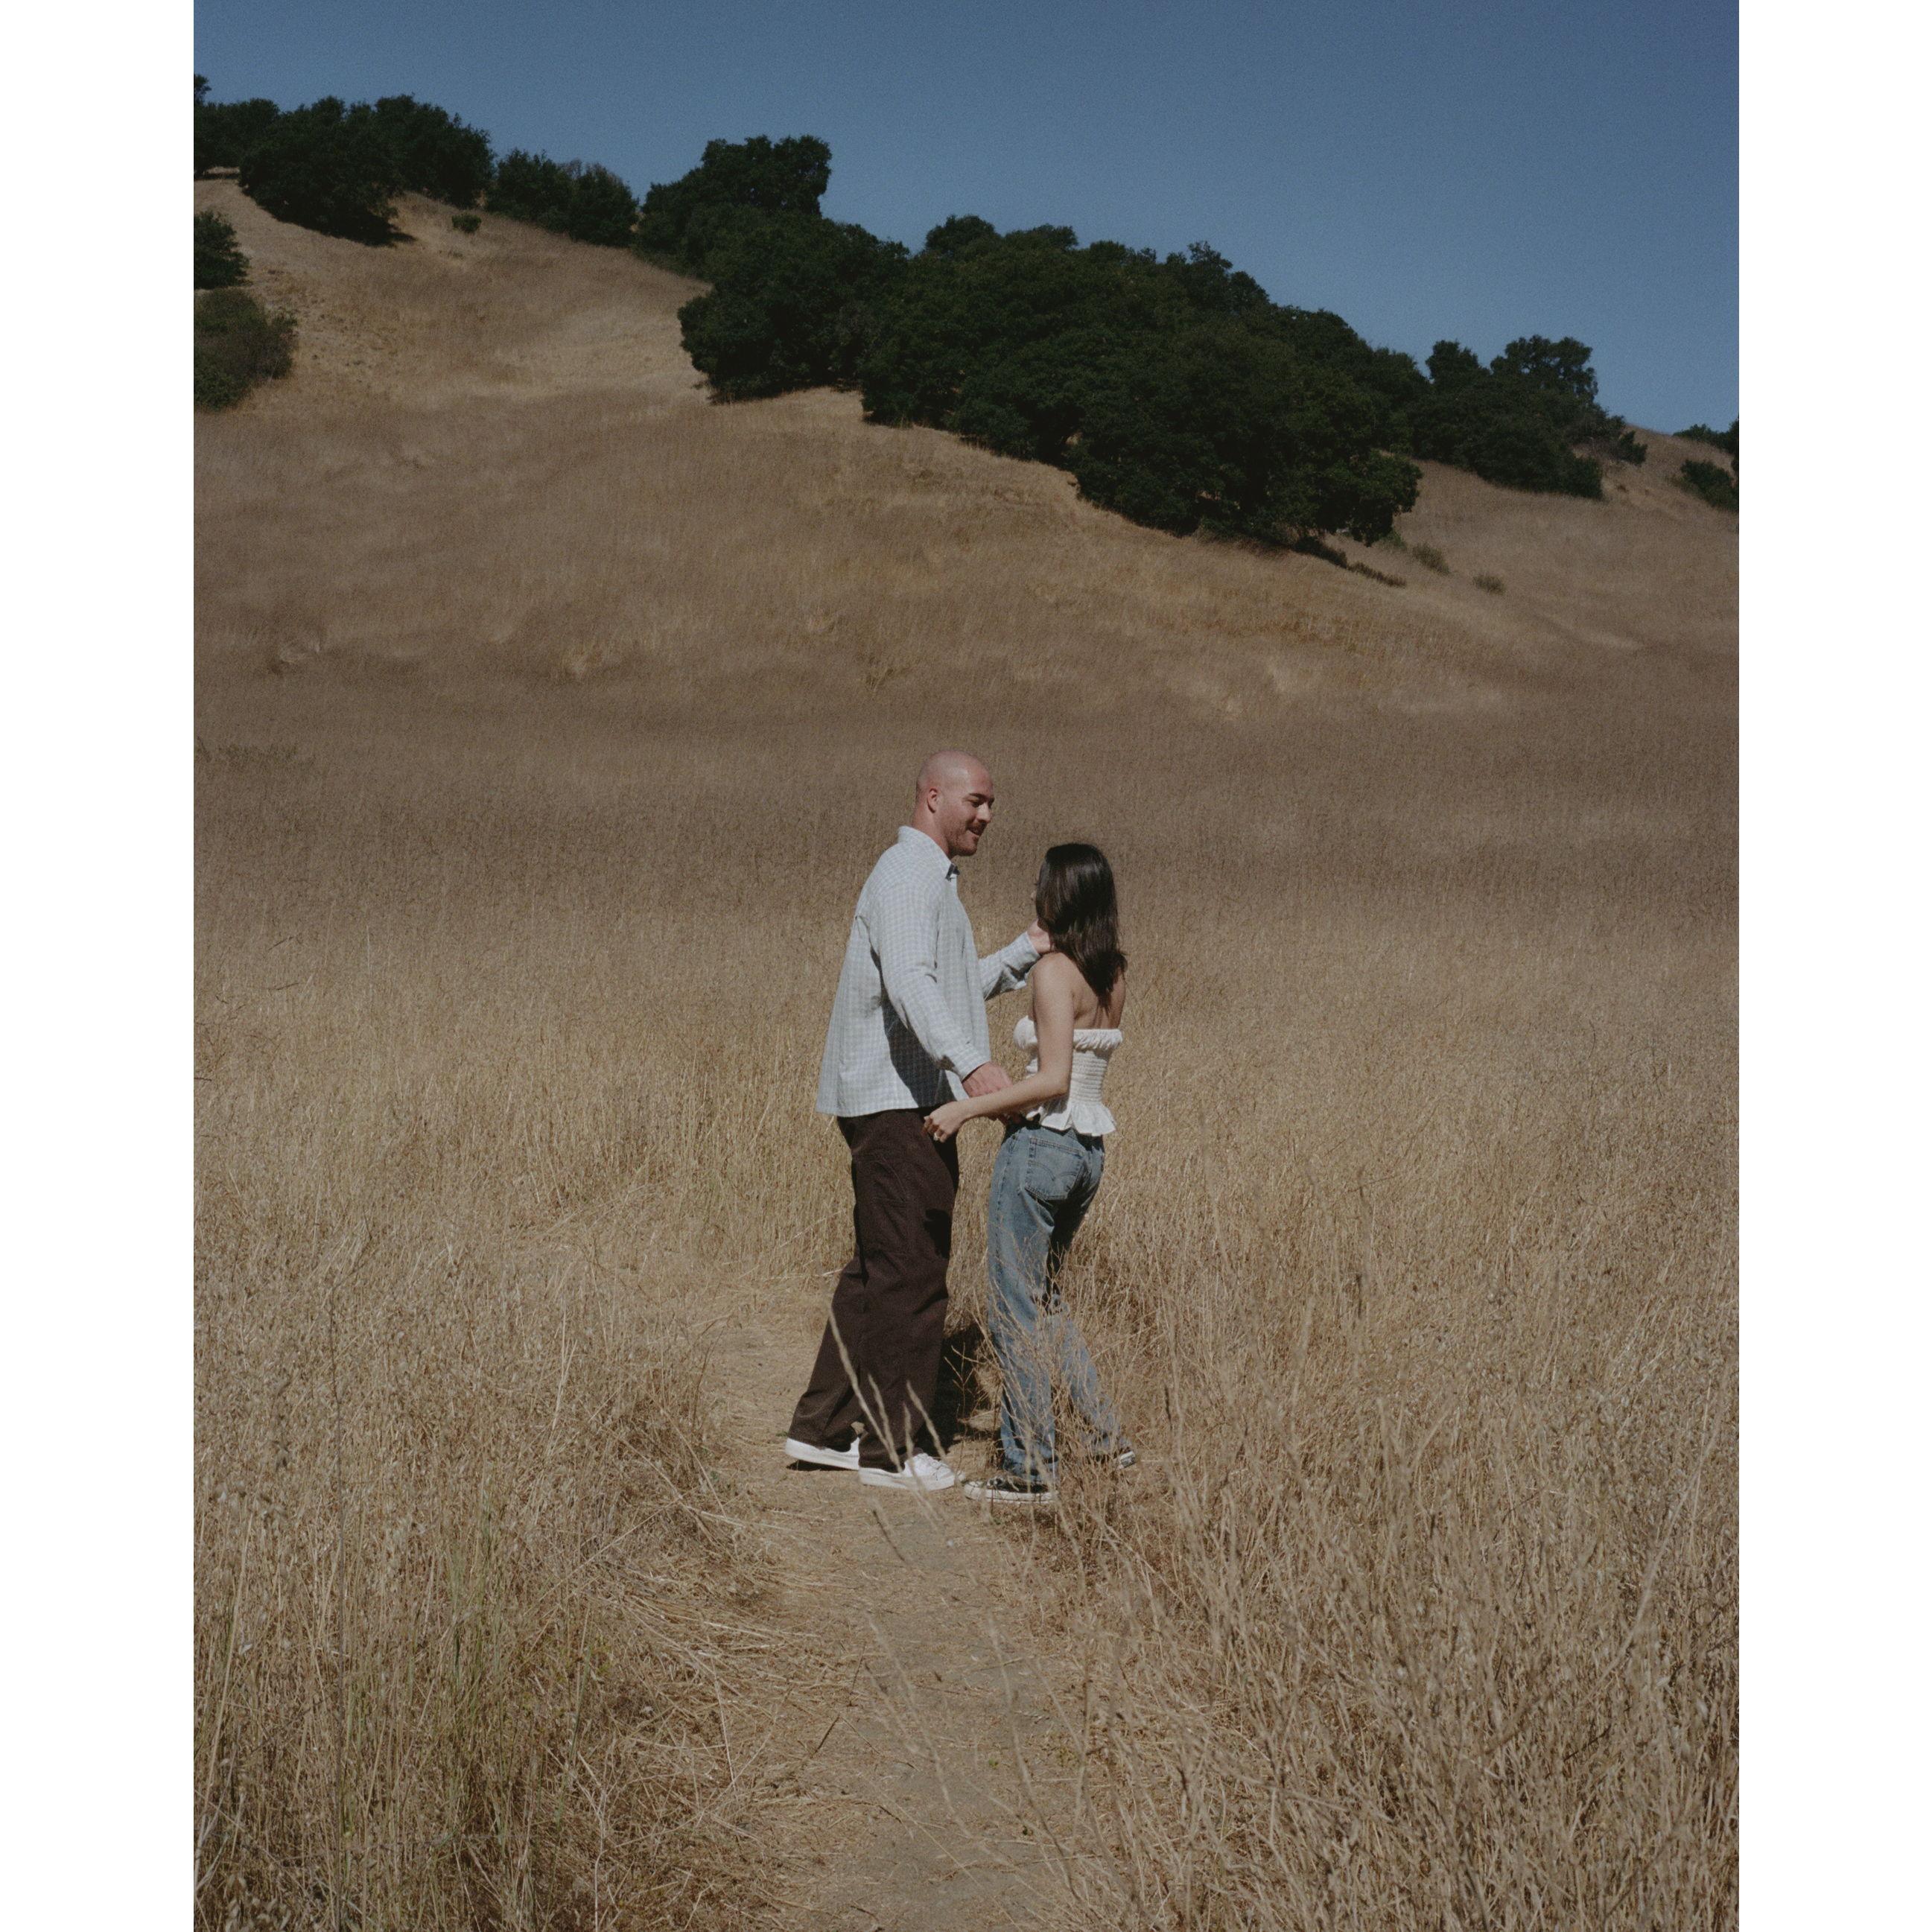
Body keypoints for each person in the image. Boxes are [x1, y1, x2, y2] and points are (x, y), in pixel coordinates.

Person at [784, 751, 1046, 1492]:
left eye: (991, 804)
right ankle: (891, 1453)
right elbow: (909, 984)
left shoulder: (928, 880)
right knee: (913, 1272)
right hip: (900, 1104)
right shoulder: (907, 877)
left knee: (878, 1269)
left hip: (895, 1099)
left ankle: (823, 1429)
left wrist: (1025, 952)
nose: (986, 816)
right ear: (933, 797)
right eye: (975, 801)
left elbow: (946, 984)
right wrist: (972, 1063)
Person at [922, 842, 1133, 1507]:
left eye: (1041, 882)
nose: (1033, 890)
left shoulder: (1053, 972)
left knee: (1014, 1309)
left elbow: (1053, 1079)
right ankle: (1104, 1438)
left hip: (1042, 1147)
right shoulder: (1111, 973)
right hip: (1088, 1152)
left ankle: (1030, 1467)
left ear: (1059, 894)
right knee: (1046, 1301)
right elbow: (1080, 1076)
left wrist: (966, 1107)